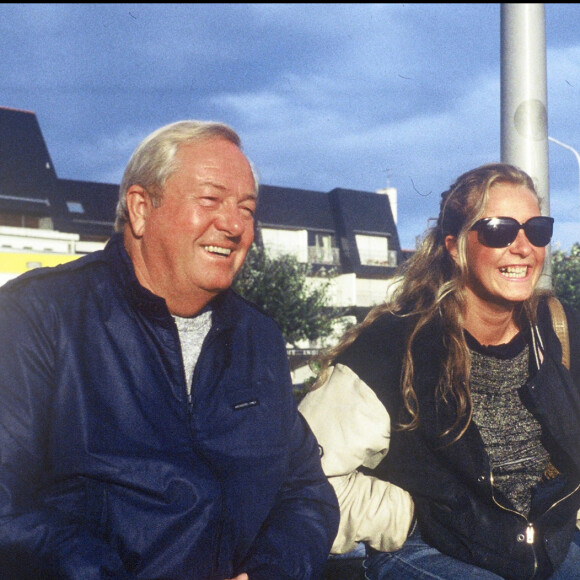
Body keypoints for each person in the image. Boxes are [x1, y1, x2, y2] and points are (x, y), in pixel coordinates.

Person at [0, 120, 339, 579]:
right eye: (210, 199)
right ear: (141, 209)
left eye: (247, 207)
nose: (234, 224)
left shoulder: (258, 338)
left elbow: (305, 494)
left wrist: (268, 573)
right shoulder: (37, 317)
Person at [299, 162, 580, 579]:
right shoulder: (394, 347)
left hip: (549, 549)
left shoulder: (560, 329)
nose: (523, 247)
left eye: (537, 229)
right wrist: (406, 517)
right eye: (499, 230)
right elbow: (301, 475)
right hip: (433, 552)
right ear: (454, 246)